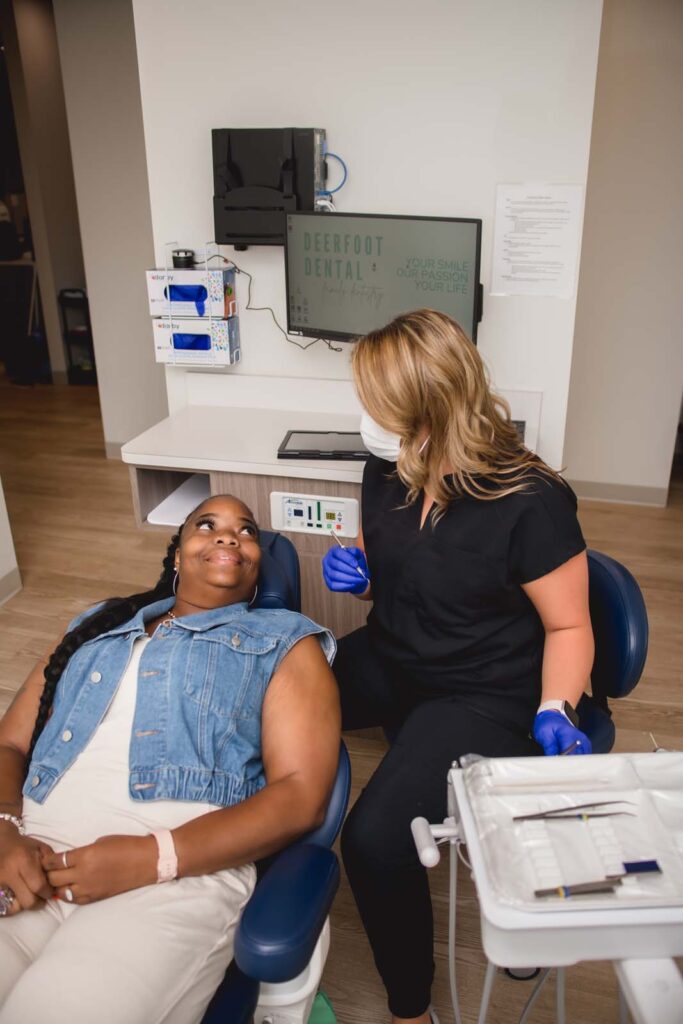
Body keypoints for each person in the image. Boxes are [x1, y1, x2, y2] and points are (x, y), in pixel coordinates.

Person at [321, 309, 594, 1024]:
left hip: (481, 689)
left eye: (376, 404)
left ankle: (412, 1007)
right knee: (267, 699)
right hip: (395, 650)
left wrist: (553, 707)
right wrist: (364, 577)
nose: (364, 419)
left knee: (376, 840)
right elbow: (402, 562)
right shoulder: (386, 466)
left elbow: (568, 624)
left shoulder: (529, 502)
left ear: (428, 411)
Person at [0, 495, 340, 1024]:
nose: (229, 535)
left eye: (246, 531)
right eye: (207, 525)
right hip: (31, 854)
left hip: (173, 876)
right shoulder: (96, 625)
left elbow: (300, 796)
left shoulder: (286, 641)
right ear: (177, 555)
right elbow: (11, 745)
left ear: (257, 565)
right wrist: (4, 830)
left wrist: (152, 857)